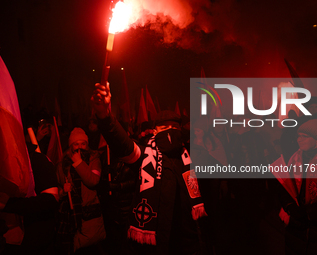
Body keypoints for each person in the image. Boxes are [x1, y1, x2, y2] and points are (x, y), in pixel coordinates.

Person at [91, 82, 207, 254]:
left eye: (175, 128)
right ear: (154, 132)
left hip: (188, 241)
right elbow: (123, 145)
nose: (171, 133)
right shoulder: (146, 154)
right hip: (154, 243)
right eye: (165, 128)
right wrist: (105, 116)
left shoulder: (191, 156)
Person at [276, 117, 317, 255]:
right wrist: (290, 207)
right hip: (295, 229)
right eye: (299, 136)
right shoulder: (293, 159)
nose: (299, 139)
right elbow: (284, 187)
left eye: (305, 136)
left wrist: (309, 213)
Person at [1, 142, 59, 255]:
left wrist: (8, 204)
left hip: (34, 241)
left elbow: (51, 199)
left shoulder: (37, 160)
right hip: (6, 241)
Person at [56, 128, 106, 254]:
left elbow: (93, 180)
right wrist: (62, 191)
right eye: (76, 144)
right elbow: (57, 185)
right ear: (71, 145)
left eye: (83, 143)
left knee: (90, 247)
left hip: (88, 212)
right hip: (69, 213)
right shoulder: (63, 162)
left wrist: (78, 162)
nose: (80, 147)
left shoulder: (94, 158)